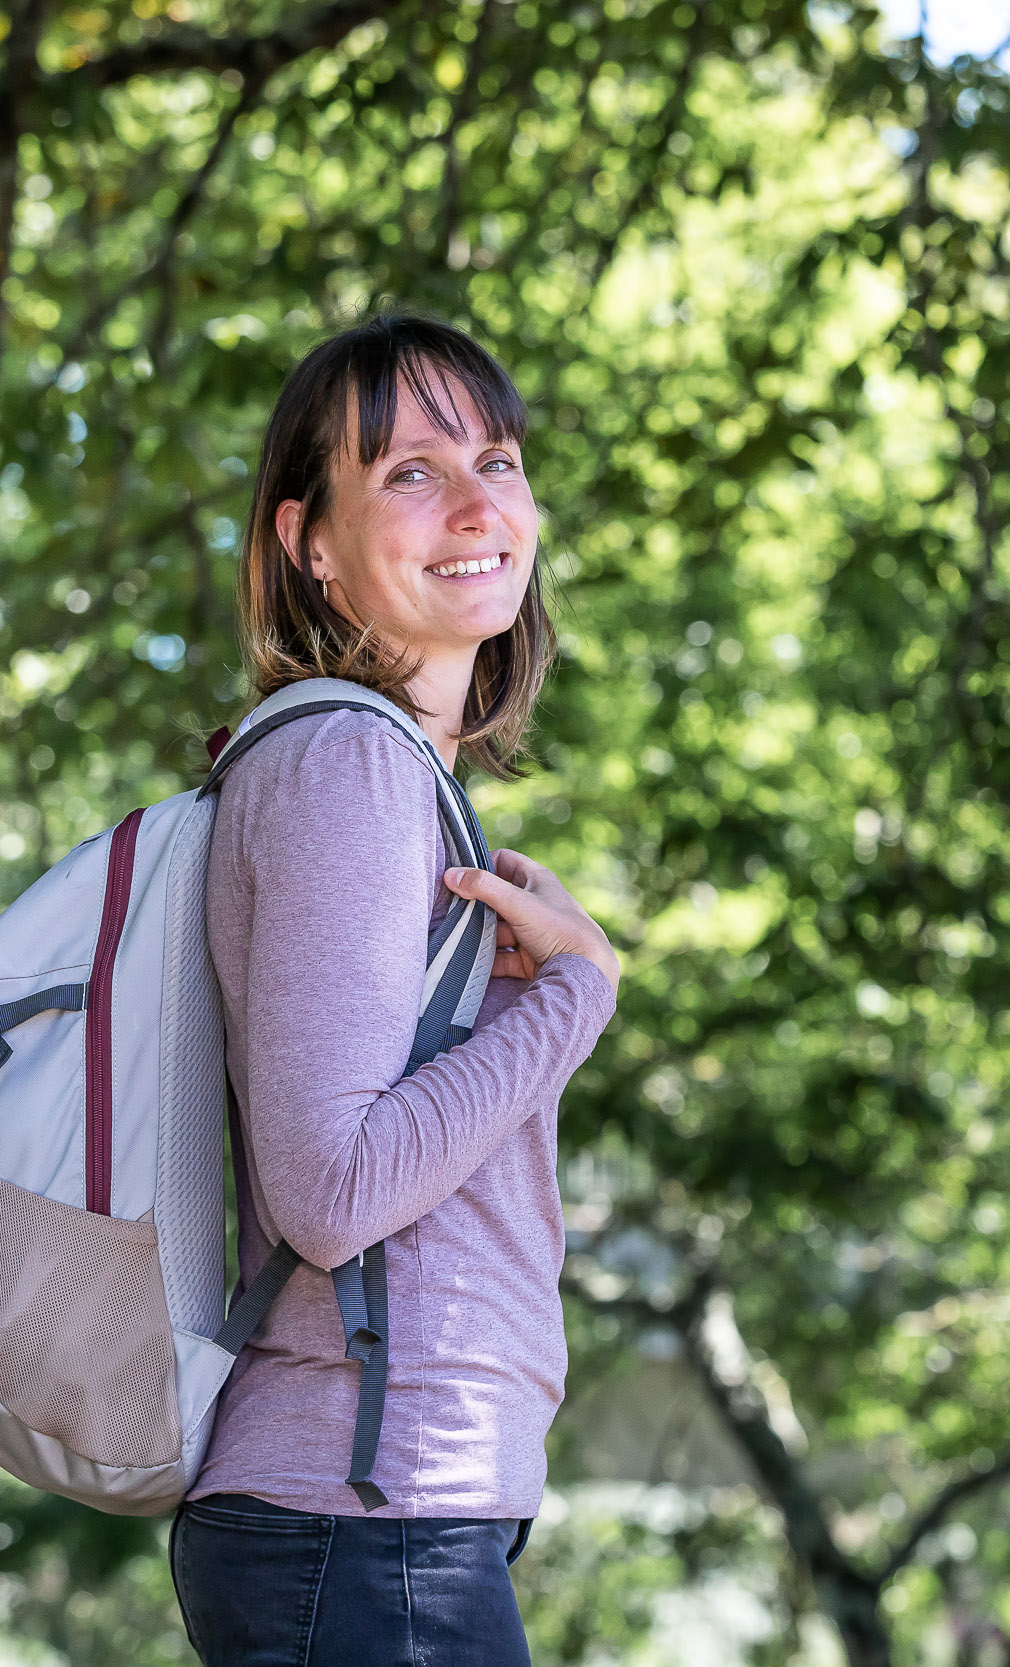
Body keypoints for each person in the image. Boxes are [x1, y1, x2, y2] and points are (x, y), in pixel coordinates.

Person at [172, 313, 623, 1667]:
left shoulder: (393, 783)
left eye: (497, 457)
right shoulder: (348, 765)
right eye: (412, 473)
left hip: (384, 1531)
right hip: (362, 1534)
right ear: (309, 541)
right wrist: (576, 995)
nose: (481, 501)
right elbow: (334, 1189)